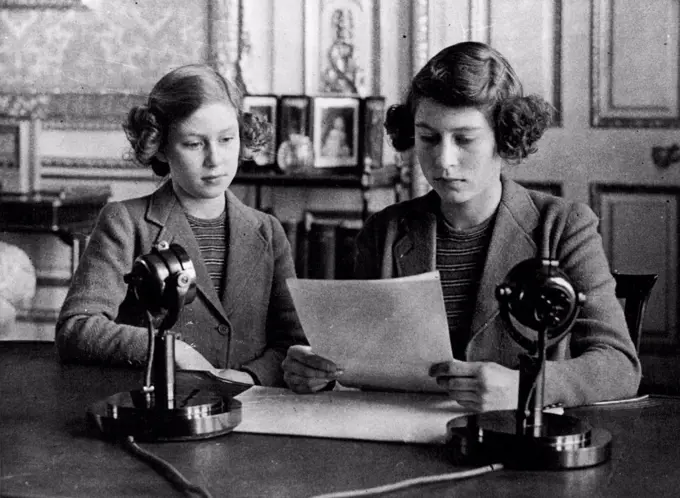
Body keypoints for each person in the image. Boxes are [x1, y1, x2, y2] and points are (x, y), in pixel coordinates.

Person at [282, 41, 641, 410]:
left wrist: (525, 386)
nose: (443, 160)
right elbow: (355, 362)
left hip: (518, 442)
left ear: (506, 139)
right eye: (428, 137)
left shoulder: (564, 227)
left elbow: (618, 365)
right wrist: (316, 371)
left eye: (464, 139)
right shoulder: (384, 232)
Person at [56, 64, 306, 387]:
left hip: (250, 413)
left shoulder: (269, 231)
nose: (215, 159)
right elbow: (76, 327)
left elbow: (292, 345)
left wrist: (249, 377)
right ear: (159, 144)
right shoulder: (125, 223)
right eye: (194, 144)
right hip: (158, 416)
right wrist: (168, 350)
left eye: (227, 139)